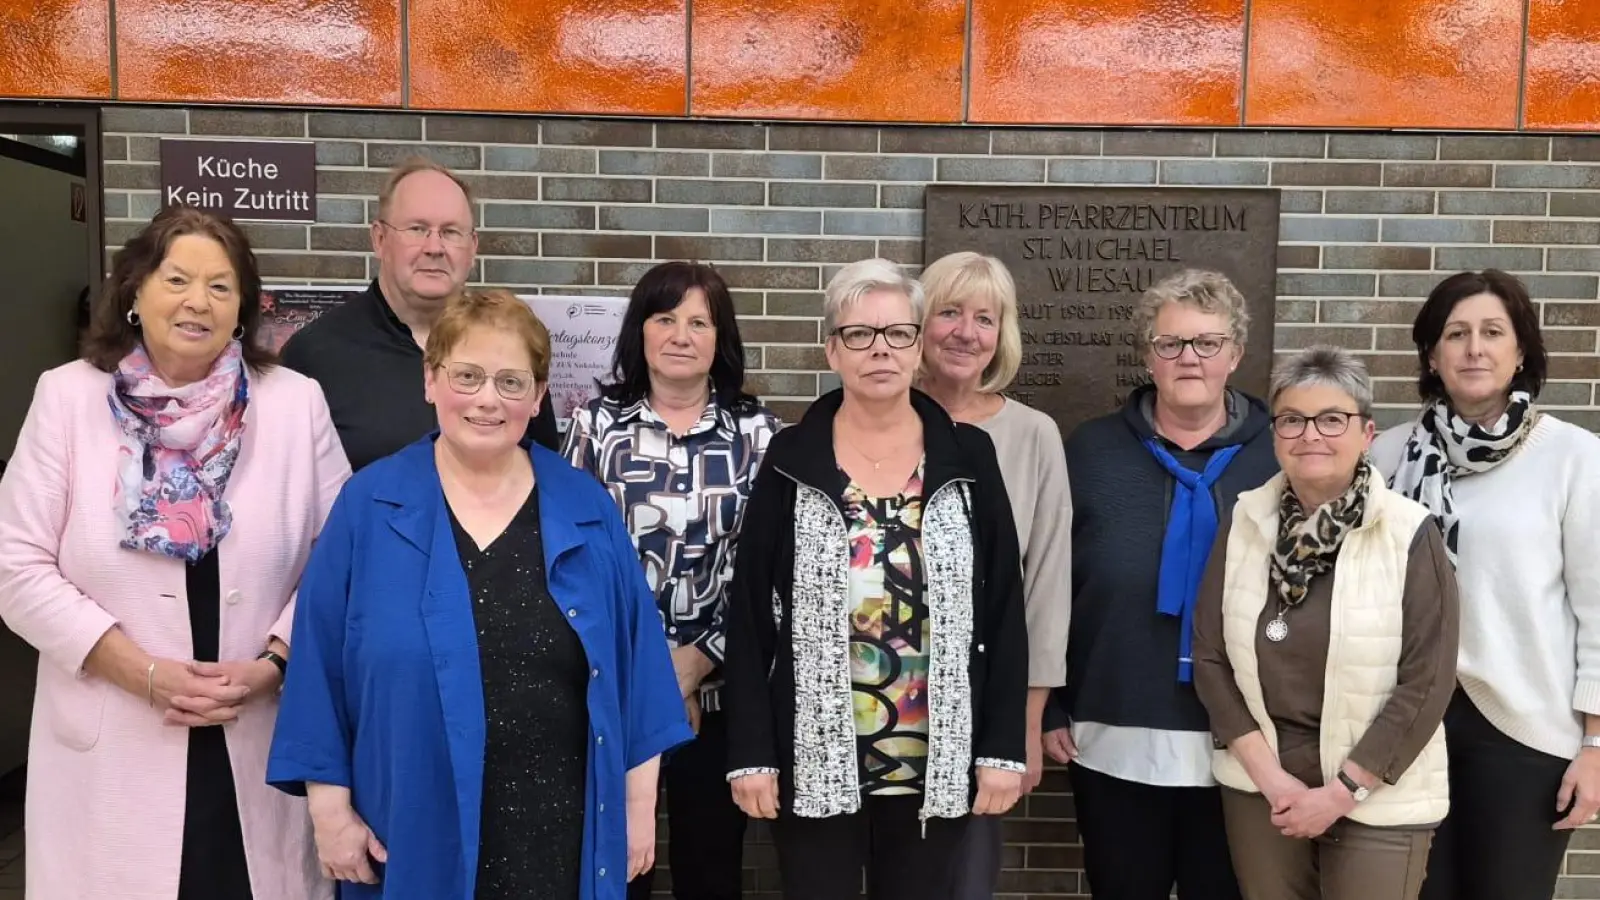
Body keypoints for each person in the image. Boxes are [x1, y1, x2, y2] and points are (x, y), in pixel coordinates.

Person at [267, 289, 693, 900]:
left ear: (538, 396)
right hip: (409, 827)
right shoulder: (369, 505)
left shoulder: (586, 509)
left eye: (511, 382)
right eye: (466, 376)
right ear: (431, 381)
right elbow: (317, 666)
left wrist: (634, 810)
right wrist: (330, 814)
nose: (487, 399)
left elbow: (639, 673)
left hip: (561, 834)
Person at [0, 205, 350, 899]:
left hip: (254, 732)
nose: (198, 301)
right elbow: (16, 567)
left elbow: (340, 561)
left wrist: (275, 663)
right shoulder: (67, 398)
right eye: (177, 279)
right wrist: (139, 670)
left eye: (222, 287)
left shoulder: (294, 403)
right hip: (116, 740)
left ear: (244, 307)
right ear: (134, 292)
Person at [722, 258, 1027, 900]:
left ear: (919, 347)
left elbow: (1002, 608)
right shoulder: (791, 457)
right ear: (832, 348)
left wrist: (1001, 749)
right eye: (859, 334)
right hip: (816, 753)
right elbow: (749, 616)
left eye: (897, 333)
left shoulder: (968, 456)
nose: (879, 350)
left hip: (934, 759)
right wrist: (752, 753)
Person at [1041, 269, 1278, 900]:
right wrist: (1052, 702)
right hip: (1112, 730)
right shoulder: (1090, 450)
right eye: (1170, 343)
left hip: (1245, 741)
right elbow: (1050, 581)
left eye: (1206, 343)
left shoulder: (1280, 457)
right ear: (1148, 355)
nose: (1188, 359)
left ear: (1236, 353)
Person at [1192, 346, 1459, 900]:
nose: (1310, 434)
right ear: (1275, 436)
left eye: (1331, 419)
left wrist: (1340, 794)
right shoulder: (1244, 520)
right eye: (1292, 420)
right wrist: (1272, 780)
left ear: (1366, 434)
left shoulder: (1410, 533)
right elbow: (1210, 657)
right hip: (1263, 789)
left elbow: (1427, 681)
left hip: (1379, 794)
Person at [1369, 269, 1600, 900]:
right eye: (1457, 333)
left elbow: (1597, 610)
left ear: (1520, 350)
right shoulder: (1385, 458)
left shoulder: (1574, 458)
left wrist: (1595, 746)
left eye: (1493, 332)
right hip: (1405, 723)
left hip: (1524, 733)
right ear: (1432, 354)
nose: (1475, 348)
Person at [562, 261, 780, 900]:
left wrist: (695, 662)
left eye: (699, 322)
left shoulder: (760, 436)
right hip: (614, 690)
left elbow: (773, 571)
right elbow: (574, 559)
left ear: (721, 338)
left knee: (709, 871)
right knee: (615, 867)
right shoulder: (593, 429)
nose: (681, 335)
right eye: (665, 318)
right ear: (641, 331)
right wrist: (651, 672)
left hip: (716, 696)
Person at [915, 251, 1072, 896]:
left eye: (984, 318)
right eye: (948, 312)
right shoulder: (857, 418)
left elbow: (1047, 588)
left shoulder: (1033, 435)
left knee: (965, 878)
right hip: (871, 689)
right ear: (918, 324)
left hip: (984, 704)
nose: (965, 332)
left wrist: (1025, 725)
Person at [280, 158, 557, 470]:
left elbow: (545, 471)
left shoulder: (512, 349)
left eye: (451, 232)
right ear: (380, 239)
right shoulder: (315, 356)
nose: (434, 247)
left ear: (473, 246)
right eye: (417, 229)